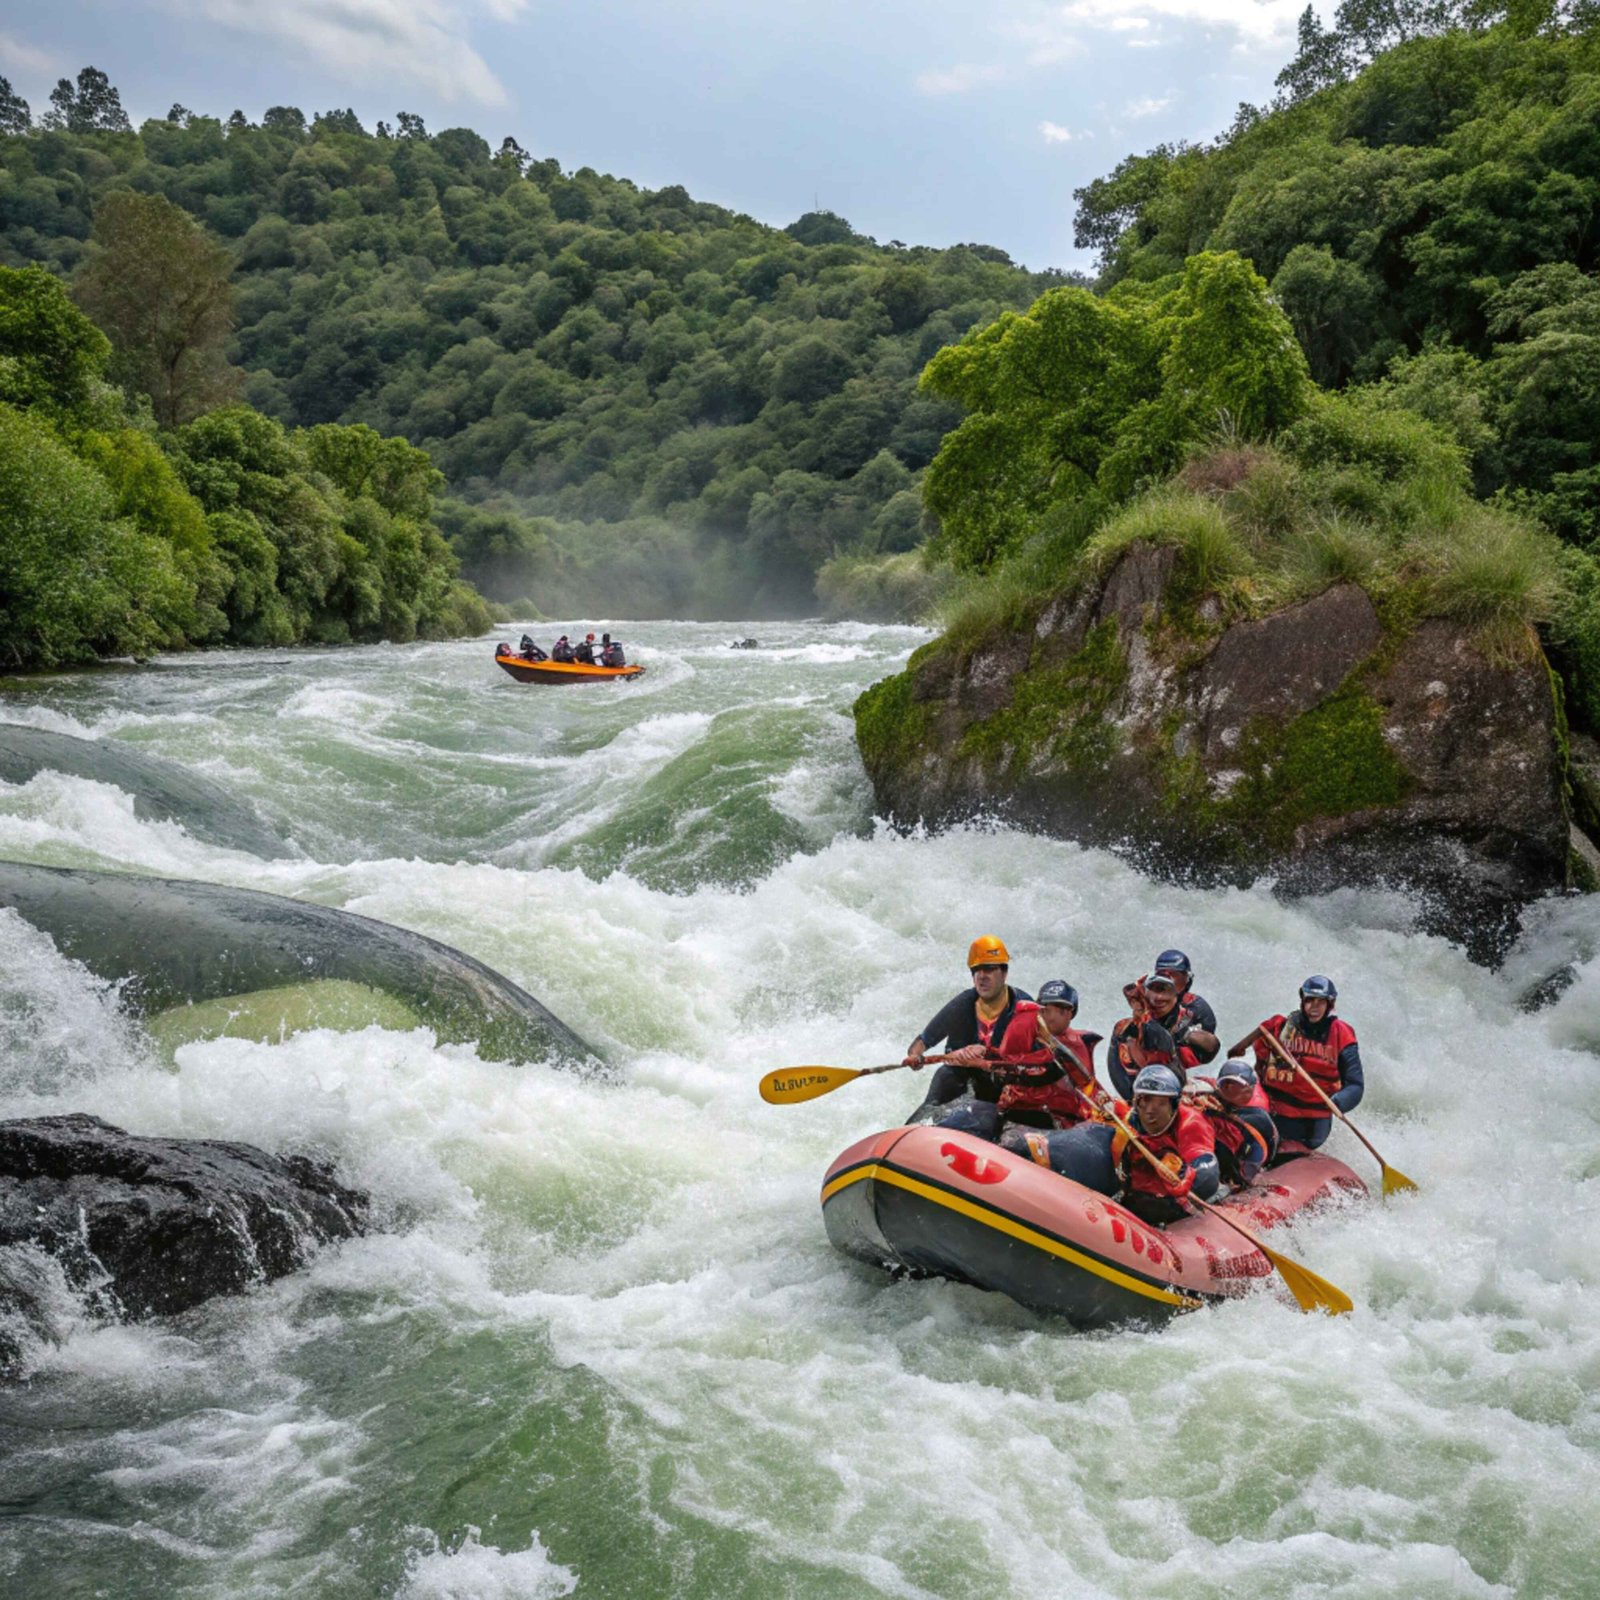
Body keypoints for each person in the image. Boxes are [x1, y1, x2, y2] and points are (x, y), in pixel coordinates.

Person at [935, 979, 1106, 1142]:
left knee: (1012, 1141)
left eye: (1061, 1010)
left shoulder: (1071, 1047)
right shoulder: (1035, 1037)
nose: (1047, 1015)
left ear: (1069, 1014)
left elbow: (1036, 1070)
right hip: (1016, 1110)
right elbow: (1010, 1057)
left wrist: (986, 1063)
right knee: (961, 1116)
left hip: (1054, 1121)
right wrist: (982, 1052)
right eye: (1044, 1008)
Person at [1229, 975, 1363, 1152]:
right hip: (1273, 1108)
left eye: (1320, 1002)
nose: (1314, 1007)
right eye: (1309, 1000)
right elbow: (1238, 1054)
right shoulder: (1278, 1027)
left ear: (1330, 1004)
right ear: (1302, 1000)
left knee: (1281, 1146)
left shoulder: (1342, 1033)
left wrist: (1338, 1102)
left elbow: (1355, 1085)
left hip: (1312, 1120)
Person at [903, 937, 1032, 1120]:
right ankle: (922, 1124)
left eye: (988, 969)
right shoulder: (963, 1004)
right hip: (964, 1083)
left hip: (1004, 1089)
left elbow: (1040, 1062)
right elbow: (924, 1040)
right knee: (946, 1074)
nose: (981, 976)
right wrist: (915, 1056)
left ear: (1004, 973)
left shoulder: (1024, 1009)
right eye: (976, 970)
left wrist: (987, 1055)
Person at [1110, 1064, 1219, 1226]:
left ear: (1173, 1105)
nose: (1149, 1110)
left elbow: (1204, 1161)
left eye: (1160, 1103)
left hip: (1174, 1202)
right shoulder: (1127, 1121)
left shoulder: (1190, 1123)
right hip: (1136, 1195)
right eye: (1144, 1100)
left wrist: (1188, 1176)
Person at [1185, 1058, 1277, 1187]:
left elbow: (1260, 1149)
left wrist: (1243, 1179)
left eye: (1235, 1085)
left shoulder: (1254, 1116)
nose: (1229, 1088)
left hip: (1255, 1150)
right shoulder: (1211, 1091)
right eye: (1225, 1083)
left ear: (1249, 1088)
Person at [1105, 973, 1186, 1099]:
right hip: (1138, 1096)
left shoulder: (1184, 1021)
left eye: (1165, 991)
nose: (1159, 997)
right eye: (1154, 990)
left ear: (1175, 996)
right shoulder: (1123, 1029)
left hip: (1167, 1093)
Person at [1150, 949, 1219, 1061]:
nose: (1169, 981)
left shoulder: (1198, 1009)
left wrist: (1185, 1034)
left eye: (1174, 975)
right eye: (1163, 975)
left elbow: (1208, 1051)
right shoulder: (1149, 1003)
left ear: (1187, 979)